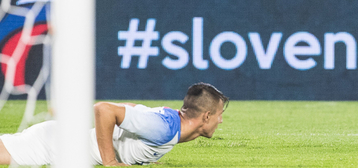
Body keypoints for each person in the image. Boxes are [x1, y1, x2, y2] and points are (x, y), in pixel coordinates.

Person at [0, 82, 228, 166]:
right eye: (219, 114)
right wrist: (110, 162)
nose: (221, 120)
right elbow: (104, 109)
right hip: (54, 145)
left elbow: (130, 108)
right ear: (206, 116)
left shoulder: (169, 119)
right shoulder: (164, 127)